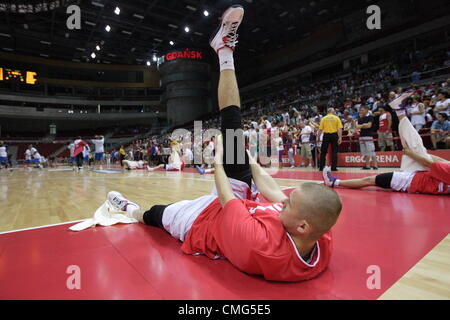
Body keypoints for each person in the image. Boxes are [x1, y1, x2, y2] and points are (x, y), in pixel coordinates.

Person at [101, 6, 342, 282]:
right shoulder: (318, 235)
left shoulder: (262, 247)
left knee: (152, 215)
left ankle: (125, 206)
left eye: (289, 205)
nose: (284, 203)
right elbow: (270, 187)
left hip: (203, 223)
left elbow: (225, 196)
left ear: (301, 226)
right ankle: (224, 52)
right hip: (239, 205)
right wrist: (246, 156)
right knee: (233, 127)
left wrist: (218, 158)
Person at [323, 91, 450, 195]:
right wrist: (424, 155)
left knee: (369, 180)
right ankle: (399, 111)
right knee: (417, 146)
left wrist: (411, 154)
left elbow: (429, 162)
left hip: (407, 181)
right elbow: (438, 161)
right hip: (419, 173)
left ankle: (335, 182)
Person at [355, 105, 378, 170]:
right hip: (361, 136)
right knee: (365, 152)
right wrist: (363, 125)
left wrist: (361, 125)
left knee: (371, 151)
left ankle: (375, 166)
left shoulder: (370, 117)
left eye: (362, 110)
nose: (360, 111)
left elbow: (368, 126)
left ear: (366, 110)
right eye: (360, 110)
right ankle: (367, 166)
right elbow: (357, 126)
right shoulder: (360, 118)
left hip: (368, 136)